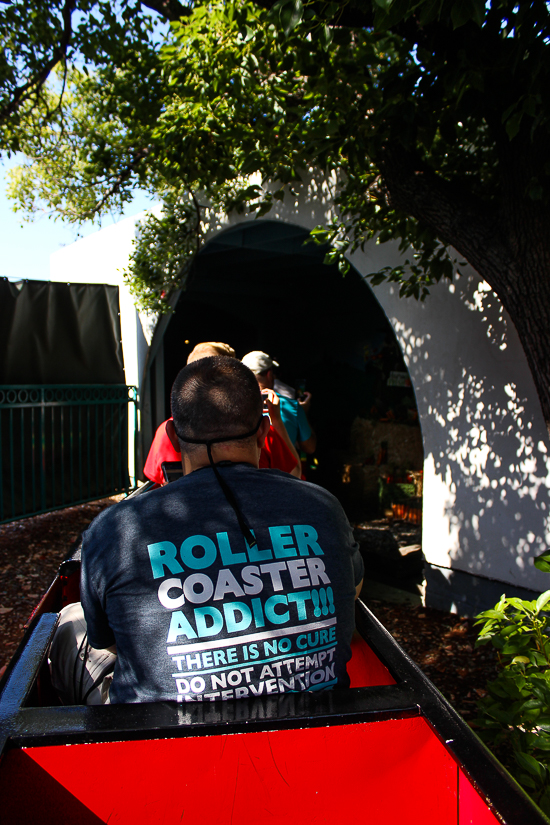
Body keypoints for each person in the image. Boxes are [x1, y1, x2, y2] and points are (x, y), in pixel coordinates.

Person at [52, 357, 363, 704]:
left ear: (172, 435)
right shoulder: (325, 508)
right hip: (314, 737)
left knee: (69, 622)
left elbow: (109, 643)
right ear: (263, 432)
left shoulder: (114, 530)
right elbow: (351, 591)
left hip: (160, 746)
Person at [144, 342, 301, 482]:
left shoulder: (165, 432)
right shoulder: (261, 431)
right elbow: (295, 474)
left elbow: (158, 485)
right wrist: (277, 420)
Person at [242, 351, 316, 454]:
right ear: (269, 374)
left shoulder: (233, 405)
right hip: (283, 469)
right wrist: (304, 412)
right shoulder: (292, 407)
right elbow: (310, 448)